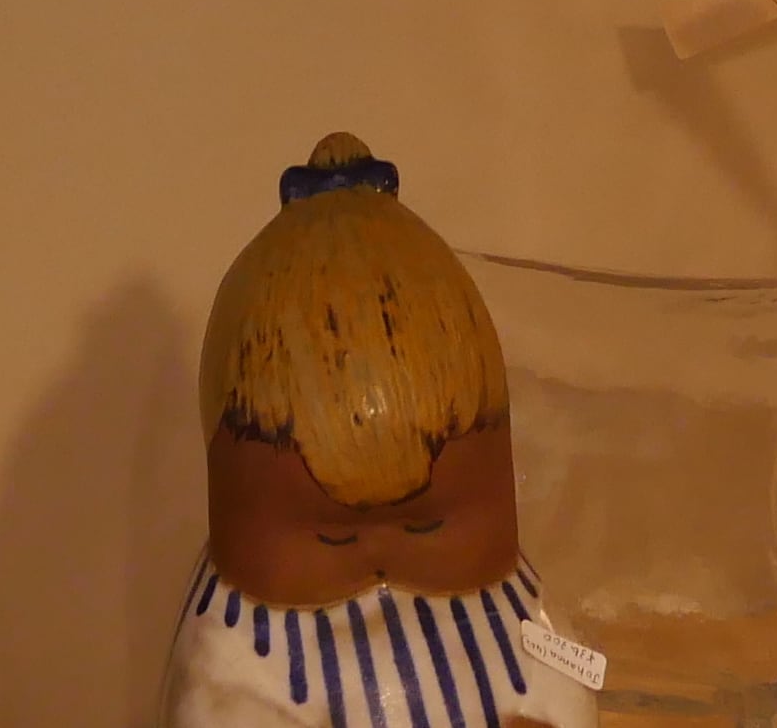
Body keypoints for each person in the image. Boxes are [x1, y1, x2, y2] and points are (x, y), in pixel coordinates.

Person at [171, 136, 596, 728]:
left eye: (427, 524)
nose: (378, 557)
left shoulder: (512, 605)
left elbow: (565, 674)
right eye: (331, 536)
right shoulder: (240, 649)